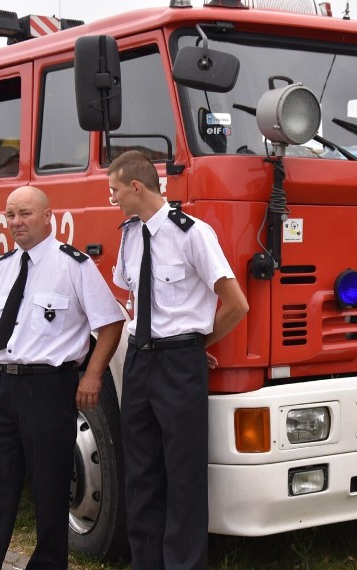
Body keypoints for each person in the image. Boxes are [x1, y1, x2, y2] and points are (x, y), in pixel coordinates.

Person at [0, 186, 125, 569]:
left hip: (50, 389)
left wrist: (94, 376)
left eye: (25, 214)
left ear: (48, 216)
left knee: (51, 487)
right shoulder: (0, 268)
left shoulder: (74, 265)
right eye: (10, 215)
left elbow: (111, 323)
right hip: (5, 388)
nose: (16, 223)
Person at [108, 150, 249, 569]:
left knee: (184, 477)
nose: (111, 198)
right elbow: (128, 295)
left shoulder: (193, 233)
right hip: (139, 362)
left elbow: (236, 304)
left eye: (115, 190)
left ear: (137, 187)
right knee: (141, 473)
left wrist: (197, 344)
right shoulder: (130, 235)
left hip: (178, 364)